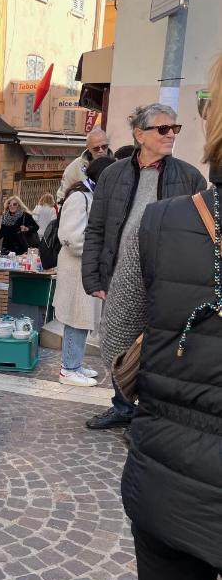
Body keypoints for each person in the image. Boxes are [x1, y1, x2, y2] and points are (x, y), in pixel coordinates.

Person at [121, 57, 222, 580]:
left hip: (165, 473)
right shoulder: (133, 195)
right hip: (171, 477)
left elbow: (118, 340)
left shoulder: (162, 221)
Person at [82, 104, 206, 430]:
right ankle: (122, 407)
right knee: (118, 343)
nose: (171, 135)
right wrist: (93, 277)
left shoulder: (190, 177)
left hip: (167, 280)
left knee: (158, 349)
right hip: (119, 275)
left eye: (175, 128)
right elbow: (96, 228)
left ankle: (150, 416)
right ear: (140, 135)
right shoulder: (113, 175)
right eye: (163, 129)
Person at [53, 156, 114, 387]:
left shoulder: (91, 196)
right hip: (76, 268)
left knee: (83, 318)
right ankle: (68, 369)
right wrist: (97, 249)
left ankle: (75, 363)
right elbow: (70, 236)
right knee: (76, 318)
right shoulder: (79, 197)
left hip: (85, 267)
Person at [56, 127, 112, 204]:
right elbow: (62, 195)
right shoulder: (76, 166)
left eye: (104, 147)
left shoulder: (117, 164)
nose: (101, 151)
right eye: (96, 148)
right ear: (88, 148)